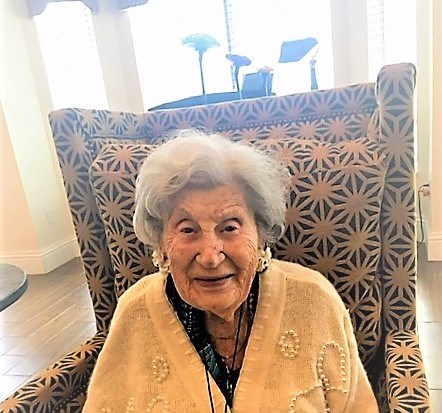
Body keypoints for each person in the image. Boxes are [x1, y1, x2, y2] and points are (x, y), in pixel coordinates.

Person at [82, 131, 379, 413]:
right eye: (187, 230)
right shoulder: (136, 311)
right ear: (161, 243)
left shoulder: (313, 300)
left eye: (230, 228)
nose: (211, 257)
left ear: (260, 235)